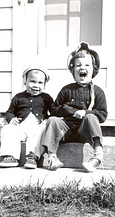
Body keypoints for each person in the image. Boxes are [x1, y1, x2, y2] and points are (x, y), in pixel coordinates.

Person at [41, 42, 108, 172]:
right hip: (66, 131)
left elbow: (103, 115)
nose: (82, 67)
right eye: (78, 65)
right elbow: (54, 109)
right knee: (52, 120)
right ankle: (52, 157)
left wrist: (86, 112)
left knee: (90, 117)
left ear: (94, 69)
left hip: (84, 131)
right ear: (73, 70)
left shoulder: (98, 92)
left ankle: (98, 156)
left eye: (87, 65)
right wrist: (67, 110)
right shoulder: (67, 90)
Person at [0, 66, 53, 169]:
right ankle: (10, 156)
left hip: (37, 127)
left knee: (43, 128)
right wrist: (11, 119)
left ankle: (32, 157)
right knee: (8, 129)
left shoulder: (46, 98)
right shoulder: (18, 97)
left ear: (45, 84)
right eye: (32, 81)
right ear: (25, 82)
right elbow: (9, 112)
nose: (36, 86)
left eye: (40, 83)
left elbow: (53, 112)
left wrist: (46, 120)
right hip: (21, 127)